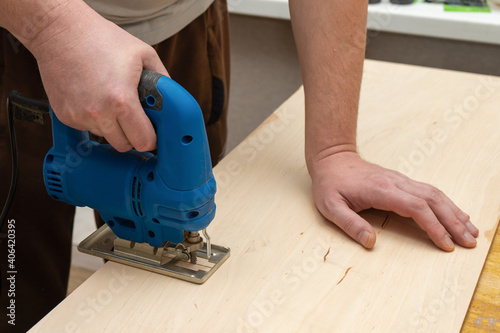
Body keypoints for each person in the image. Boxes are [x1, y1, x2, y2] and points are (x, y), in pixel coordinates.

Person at [0, 0, 478, 331]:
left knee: (158, 305)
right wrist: (50, 26)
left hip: (181, 22)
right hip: (17, 30)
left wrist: (334, 150)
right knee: (15, 275)